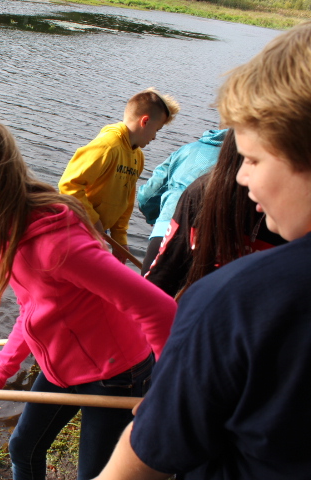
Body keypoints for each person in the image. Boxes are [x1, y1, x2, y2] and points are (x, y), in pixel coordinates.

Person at [94, 21, 311, 480]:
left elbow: (140, 462)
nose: (242, 177)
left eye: (253, 160)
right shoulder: (198, 199)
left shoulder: (230, 301)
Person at [0, 120, 177, 480]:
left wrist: (169, 393)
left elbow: (159, 309)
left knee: (96, 474)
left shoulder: (56, 245)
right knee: (24, 448)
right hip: (65, 364)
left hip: (116, 373)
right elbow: (33, 312)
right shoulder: (8, 233)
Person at [143, 129, 285, 297]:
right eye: (248, 160)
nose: (243, 177)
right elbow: (162, 277)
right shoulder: (201, 193)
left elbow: (147, 197)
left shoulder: (292, 221)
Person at [58, 88, 179, 263]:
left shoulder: (137, 156)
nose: (155, 137)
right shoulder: (107, 146)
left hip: (99, 232)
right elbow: (69, 185)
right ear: (145, 121)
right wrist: (94, 221)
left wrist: (120, 240)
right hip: (75, 228)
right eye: (157, 130)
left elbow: (125, 202)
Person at [137, 129, 227, 274]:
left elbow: (147, 195)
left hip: (165, 231)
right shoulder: (242, 161)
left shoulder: (187, 150)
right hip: (207, 245)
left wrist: (156, 218)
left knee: (143, 293)